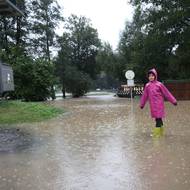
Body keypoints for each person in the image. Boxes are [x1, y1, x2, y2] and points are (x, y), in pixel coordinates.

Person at [140, 68, 177, 137]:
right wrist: (142, 104)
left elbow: (167, 93)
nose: (151, 77)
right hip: (153, 106)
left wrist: (173, 101)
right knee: (158, 119)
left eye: (152, 75)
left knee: (158, 119)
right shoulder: (147, 86)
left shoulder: (159, 84)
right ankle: (161, 133)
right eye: (149, 76)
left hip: (159, 105)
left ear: (155, 76)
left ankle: (156, 135)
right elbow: (144, 96)